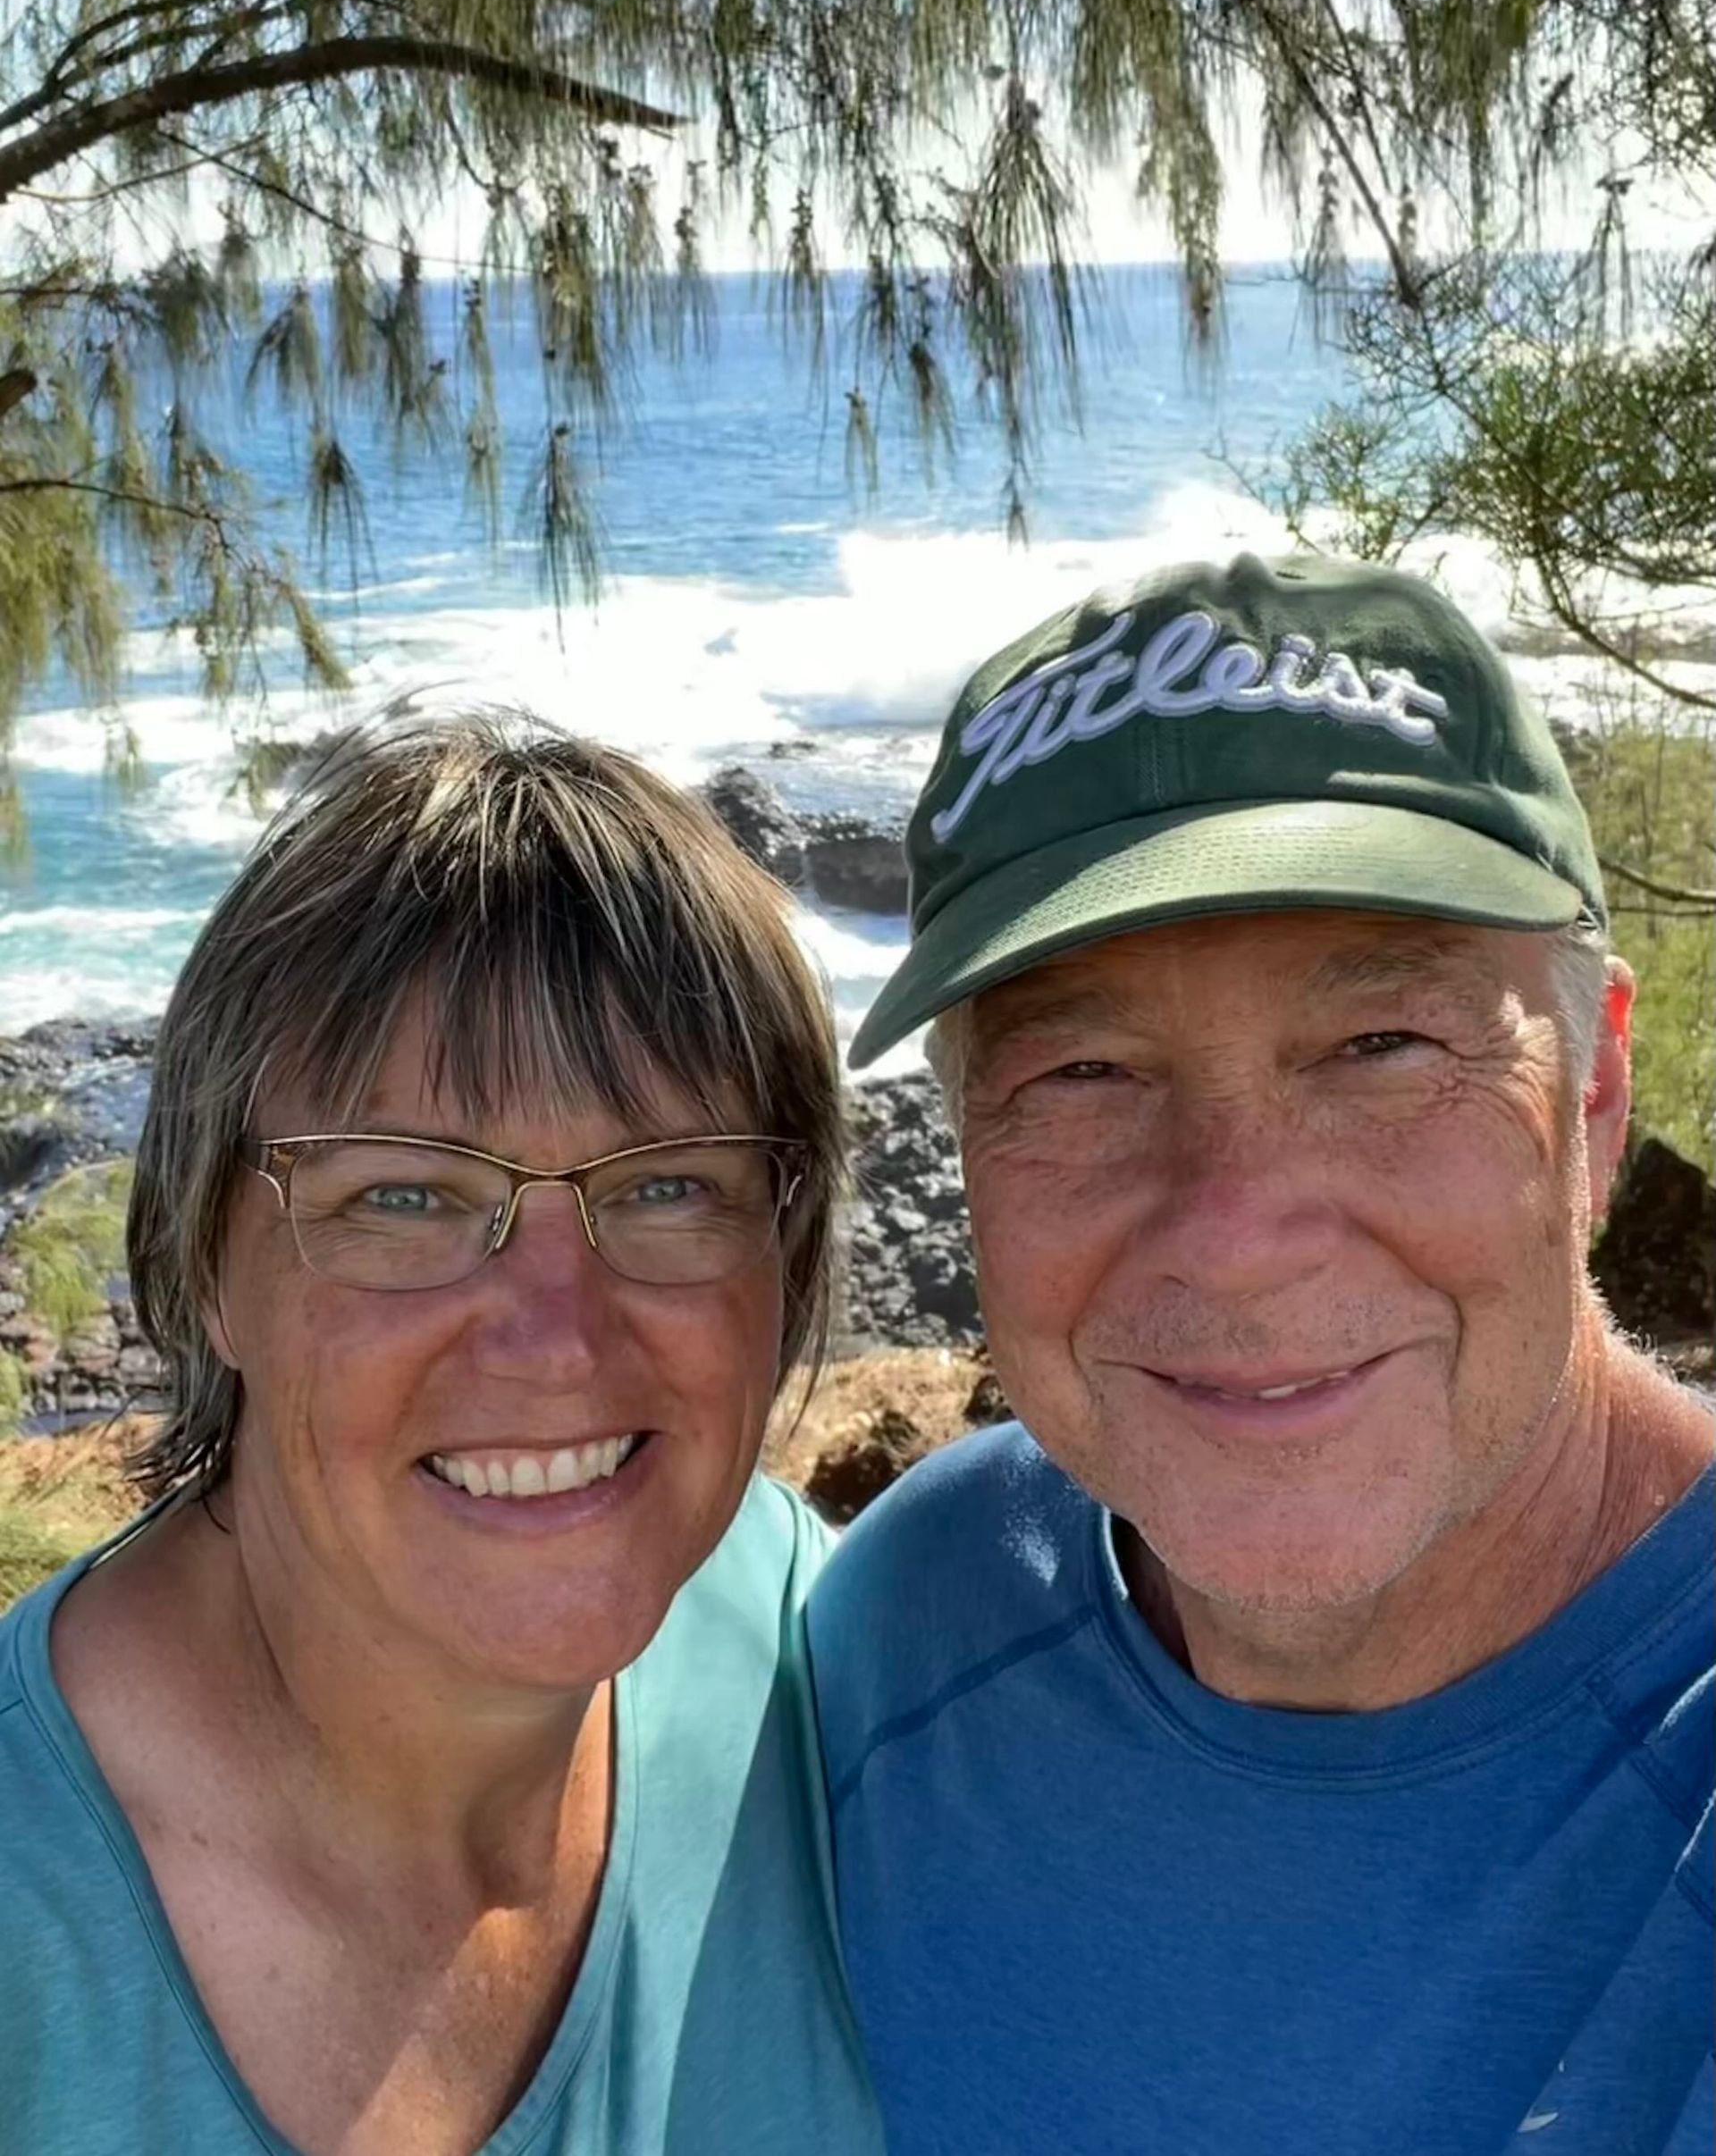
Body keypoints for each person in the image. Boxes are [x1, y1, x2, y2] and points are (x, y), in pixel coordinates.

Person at [811, 549, 1714, 2156]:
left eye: (1383, 1045)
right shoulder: (904, 1634)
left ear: (1592, 1096)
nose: (1233, 1228)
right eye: (1084, 1074)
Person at [0, 713, 884, 2156]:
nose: (555, 1337)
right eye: (402, 1197)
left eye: (668, 1186)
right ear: (205, 1259)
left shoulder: (831, 1660)